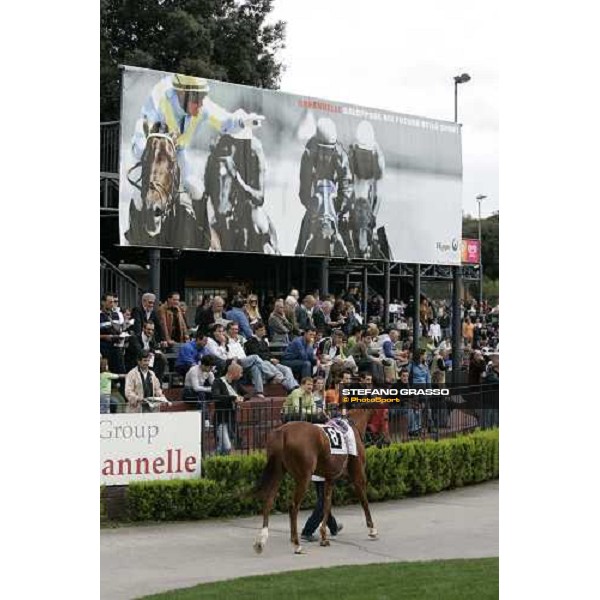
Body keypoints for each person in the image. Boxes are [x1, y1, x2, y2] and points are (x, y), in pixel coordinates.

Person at [131, 73, 263, 207]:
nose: (200, 104)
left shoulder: (202, 106)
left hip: (178, 152)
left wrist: (242, 122)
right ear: (181, 94)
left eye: (202, 98)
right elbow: (141, 136)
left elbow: (225, 121)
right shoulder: (160, 100)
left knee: (196, 191)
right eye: (196, 99)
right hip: (151, 154)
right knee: (139, 200)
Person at [295, 117, 353, 255]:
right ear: (316, 145)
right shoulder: (308, 154)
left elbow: (346, 185)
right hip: (316, 200)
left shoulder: (340, 155)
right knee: (306, 223)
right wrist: (311, 207)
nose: (324, 156)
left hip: (334, 201)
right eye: (321, 150)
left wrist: (340, 208)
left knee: (347, 226)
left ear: (334, 148)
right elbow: (304, 188)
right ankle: (298, 256)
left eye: (328, 151)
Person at [244, 322, 299, 392]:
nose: (263, 331)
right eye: (261, 330)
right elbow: (257, 355)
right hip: (262, 363)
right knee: (270, 365)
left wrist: (274, 358)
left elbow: (269, 353)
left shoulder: (264, 342)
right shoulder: (250, 342)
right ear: (256, 331)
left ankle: (293, 386)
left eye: (264, 330)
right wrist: (270, 359)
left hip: (271, 361)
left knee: (286, 369)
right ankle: (289, 386)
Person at [211, 362, 246, 455]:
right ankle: (214, 459)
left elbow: (247, 394)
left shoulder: (236, 383)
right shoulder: (218, 382)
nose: (241, 375)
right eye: (240, 373)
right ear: (234, 372)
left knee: (223, 446)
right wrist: (233, 398)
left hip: (231, 418)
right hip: (220, 418)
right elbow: (216, 396)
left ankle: (217, 461)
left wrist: (242, 398)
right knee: (226, 446)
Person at [300, 477, 343, 543]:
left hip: (317, 476)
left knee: (324, 504)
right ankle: (307, 532)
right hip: (324, 476)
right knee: (323, 505)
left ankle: (333, 527)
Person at [183, 355, 216, 427]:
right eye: (209, 367)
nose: (211, 369)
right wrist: (210, 389)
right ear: (203, 365)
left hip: (200, 393)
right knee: (201, 393)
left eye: (212, 367)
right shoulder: (194, 370)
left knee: (211, 393)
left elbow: (214, 385)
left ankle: (211, 419)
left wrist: (215, 389)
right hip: (189, 392)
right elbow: (196, 388)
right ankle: (206, 420)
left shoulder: (209, 372)